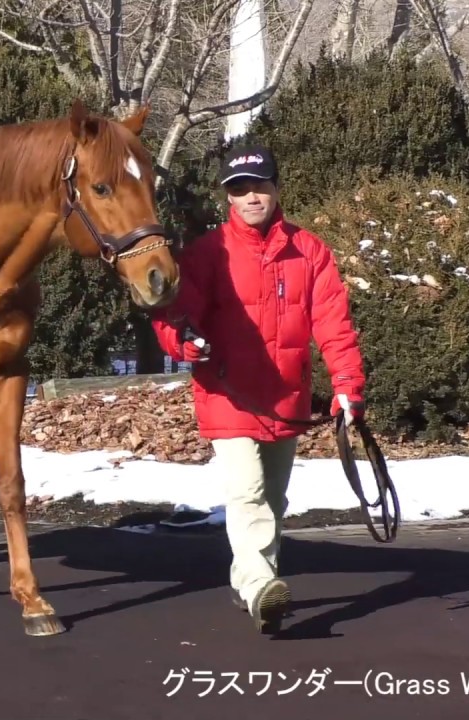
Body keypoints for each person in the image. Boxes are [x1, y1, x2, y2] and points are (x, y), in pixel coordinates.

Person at [151, 144, 367, 634]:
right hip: (228, 395)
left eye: (258, 186)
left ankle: (247, 580)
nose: (250, 197)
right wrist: (183, 340)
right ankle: (258, 587)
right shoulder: (208, 253)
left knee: (272, 499)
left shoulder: (309, 251)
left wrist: (347, 386)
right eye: (239, 189)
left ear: (275, 188)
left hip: (286, 396)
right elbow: (174, 315)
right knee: (247, 492)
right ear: (228, 197)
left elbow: (334, 325)